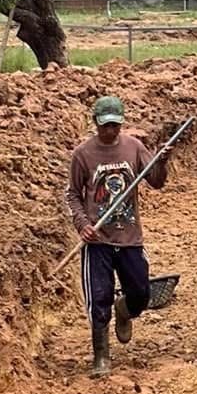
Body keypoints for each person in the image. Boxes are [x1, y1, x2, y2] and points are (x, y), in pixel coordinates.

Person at [66, 96, 170, 379]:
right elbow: (73, 195)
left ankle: (124, 311)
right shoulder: (83, 154)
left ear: (121, 122)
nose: (110, 131)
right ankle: (101, 355)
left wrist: (163, 161)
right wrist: (82, 223)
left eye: (114, 125)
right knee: (98, 297)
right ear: (96, 124)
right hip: (97, 240)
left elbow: (157, 181)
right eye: (105, 126)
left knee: (140, 294)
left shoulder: (134, 147)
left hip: (129, 236)